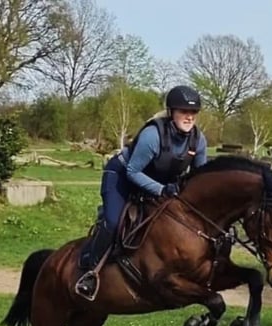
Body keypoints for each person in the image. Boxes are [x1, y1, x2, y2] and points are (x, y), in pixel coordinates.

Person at [75, 85, 209, 300]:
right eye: (184, 111)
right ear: (172, 112)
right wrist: (162, 189)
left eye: (193, 113)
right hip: (122, 177)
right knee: (113, 222)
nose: (189, 117)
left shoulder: (198, 140)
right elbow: (133, 171)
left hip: (156, 181)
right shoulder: (152, 135)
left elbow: (200, 177)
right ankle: (89, 269)